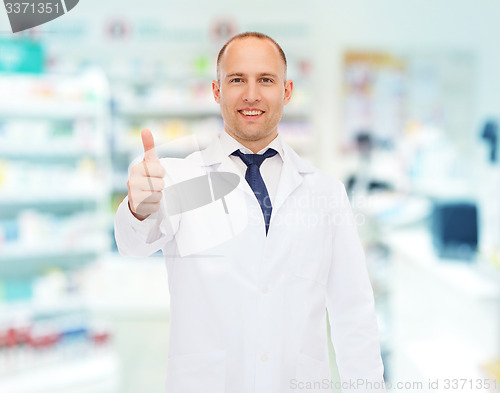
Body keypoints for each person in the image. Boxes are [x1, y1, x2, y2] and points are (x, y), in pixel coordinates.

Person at [114, 32, 386, 393]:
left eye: (266, 80)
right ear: (217, 91)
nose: (252, 94)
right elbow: (133, 243)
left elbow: (354, 313)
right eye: (237, 79)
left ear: (287, 91)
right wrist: (138, 207)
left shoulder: (326, 193)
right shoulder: (180, 178)